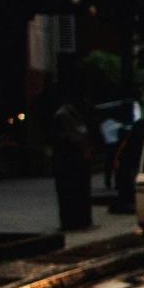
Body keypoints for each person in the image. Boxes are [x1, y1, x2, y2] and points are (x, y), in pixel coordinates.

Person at [51, 100, 94, 233]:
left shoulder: (72, 118)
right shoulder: (65, 117)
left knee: (78, 193)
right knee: (72, 194)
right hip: (70, 165)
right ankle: (74, 222)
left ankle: (78, 221)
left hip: (75, 165)